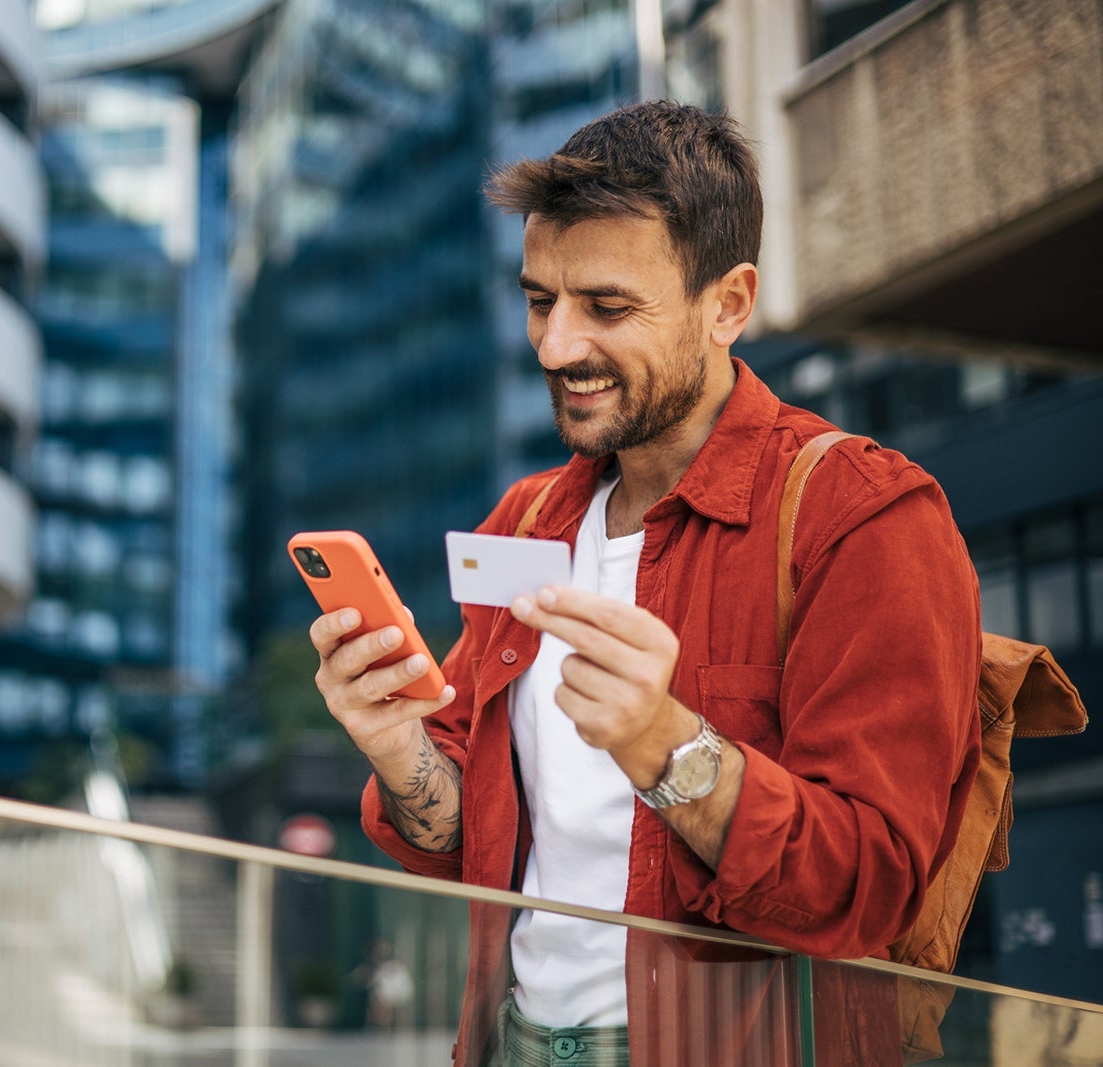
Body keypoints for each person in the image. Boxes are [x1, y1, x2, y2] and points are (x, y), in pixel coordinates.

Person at [306, 101, 982, 1067]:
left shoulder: (863, 519)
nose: (555, 346)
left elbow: (870, 884)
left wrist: (667, 747)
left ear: (728, 303)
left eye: (607, 308)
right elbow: (465, 836)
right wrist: (394, 744)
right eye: (541, 300)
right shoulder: (524, 520)